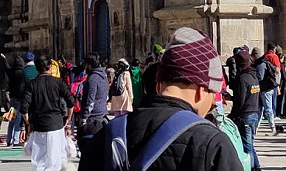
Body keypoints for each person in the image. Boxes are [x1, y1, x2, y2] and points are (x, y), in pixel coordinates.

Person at [78, 27, 242, 171]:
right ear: (201, 90)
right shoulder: (212, 144)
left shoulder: (106, 137)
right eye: (214, 94)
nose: (214, 102)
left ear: (158, 86)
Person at [19, 55, 75, 171]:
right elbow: (71, 102)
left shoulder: (32, 84)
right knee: (57, 159)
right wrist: (68, 119)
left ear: (37, 69)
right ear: (50, 67)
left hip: (39, 125)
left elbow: (24, 108)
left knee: (40, 159)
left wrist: (28, 123)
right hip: (56, 124)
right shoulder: (58, 82)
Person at [229, 50, 261, 171]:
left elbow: (241, 100)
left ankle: (252, 168)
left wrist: (233, 115)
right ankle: (256, 167)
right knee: (250, 145)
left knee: (247, 146)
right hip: (254, 113)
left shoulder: (243, 78)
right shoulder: (254, 76)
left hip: (245, 115)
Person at [78, 52, 108, 148]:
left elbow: (90, 100)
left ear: (89, 65)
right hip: (101, 115)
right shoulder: (104, 76)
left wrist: (84, 119)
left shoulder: (93, 79)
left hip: (92, 118)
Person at [3, 54, 24, 147]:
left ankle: (8, 139)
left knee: (12, 118)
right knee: (18, 119)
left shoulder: (12, 72)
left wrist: (4, 59)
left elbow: (7, 68)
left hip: (12, 97)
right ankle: (15, 140)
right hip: (20, 98)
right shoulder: (23, 73)